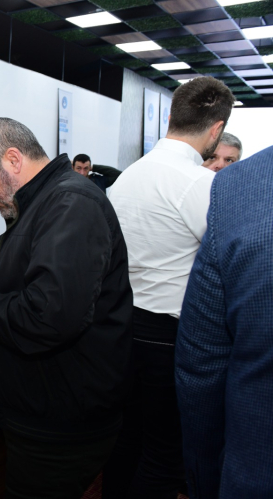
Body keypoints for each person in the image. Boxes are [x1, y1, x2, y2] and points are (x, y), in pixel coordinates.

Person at [0, 118, 132, 497]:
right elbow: (6, 249)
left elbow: (49, 314)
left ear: (12, 159)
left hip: (61, 424)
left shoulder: (72, 204)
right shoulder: (44, 199)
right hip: (43, 412)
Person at [103, 76, 235, 498]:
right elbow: (229, 261)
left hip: (121, 326)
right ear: (216, 129)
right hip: (169, 337)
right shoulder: (199, 183)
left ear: (172, 116)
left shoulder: (128, 176)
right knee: (165, 456)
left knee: (126, 440)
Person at [176, 145, 273, 499]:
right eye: (215, 158)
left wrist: (203, 475)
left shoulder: (244, 188)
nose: (220, 166)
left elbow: (203, 365)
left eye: (229, 160)